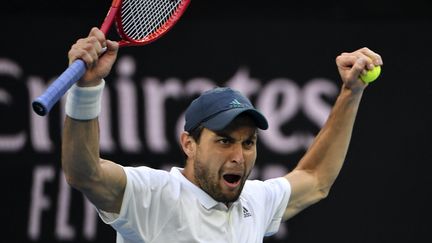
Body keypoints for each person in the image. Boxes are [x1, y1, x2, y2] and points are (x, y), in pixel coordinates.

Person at [62, 27, 383, 243]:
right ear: (189, 144)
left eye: (248, 143)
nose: (238, 156)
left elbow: (315, 177)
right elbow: (85, 174)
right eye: (224, 140)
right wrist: (87, 89)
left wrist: (351, 92)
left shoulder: (255, 202)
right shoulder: (154, 196)